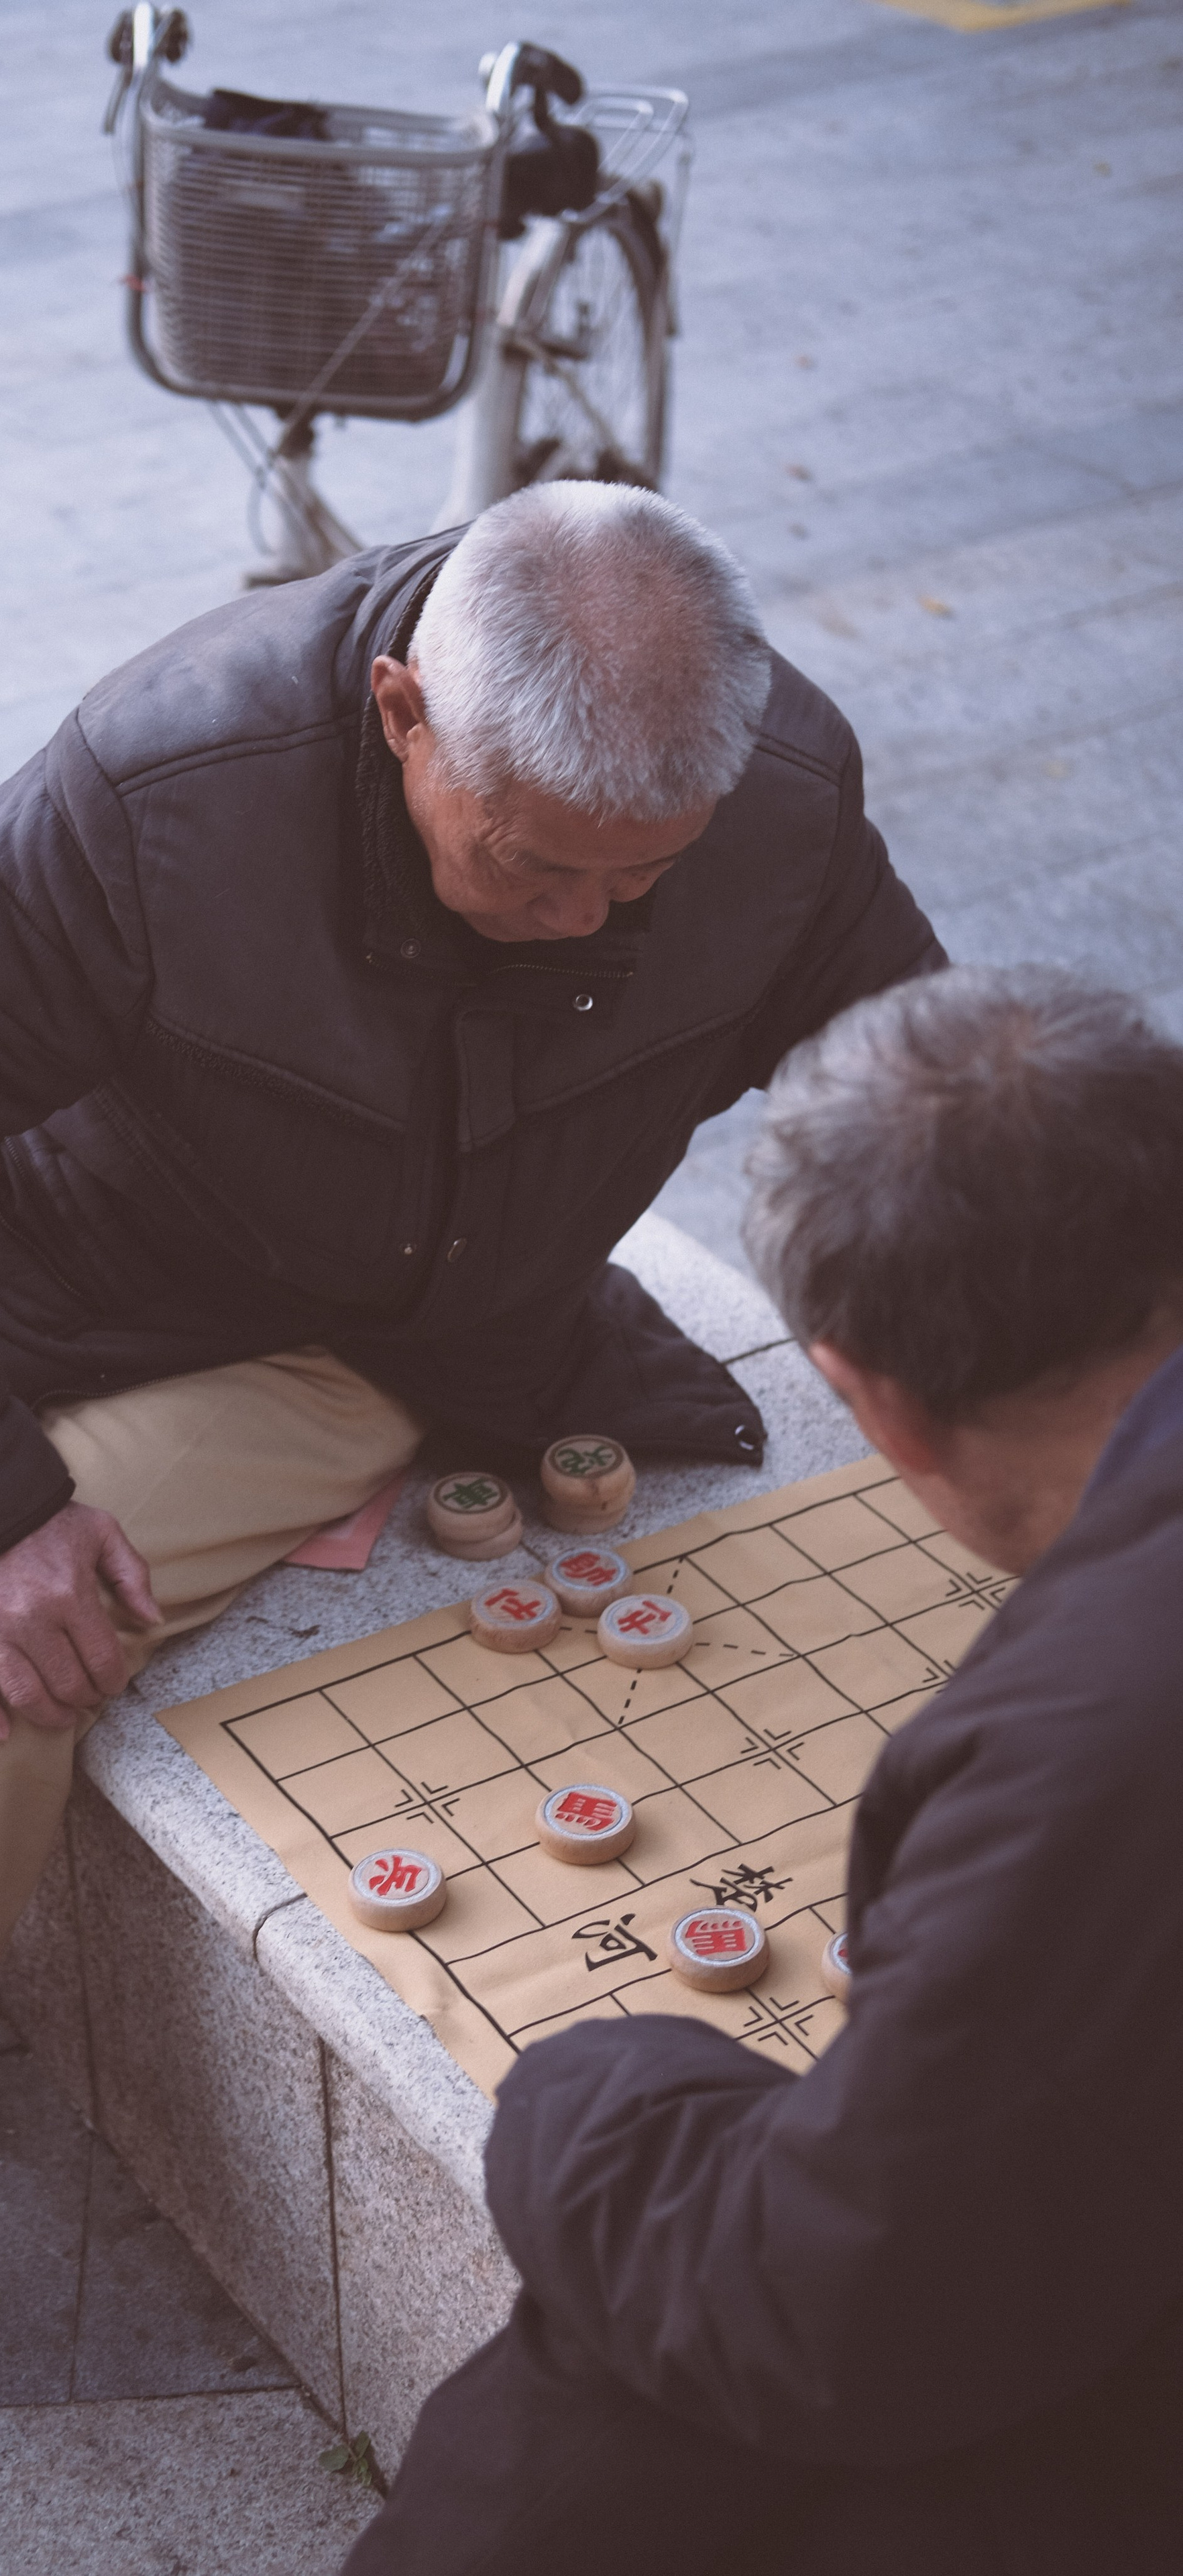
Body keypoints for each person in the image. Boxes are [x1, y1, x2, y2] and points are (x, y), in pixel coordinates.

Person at [0, 482, 941, 2507]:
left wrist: (1025, 1365)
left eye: (646, 883)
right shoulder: (170, 785)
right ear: (397, 713)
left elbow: (914, 1092)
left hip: (352, 1344)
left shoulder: (775, 795)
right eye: (530, 869)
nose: (592, 928)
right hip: (18, 1273)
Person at [343, 965, 1183, 2576]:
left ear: (860, 1394)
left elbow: (843, 2308)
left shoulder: (1097, 1740)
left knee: (630, 2368)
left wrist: (581, 2099)